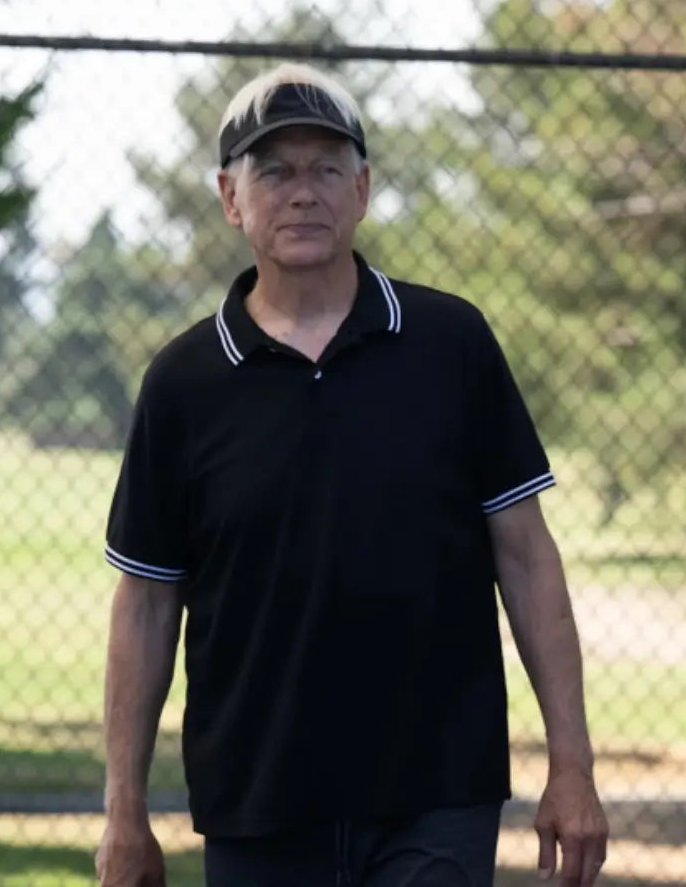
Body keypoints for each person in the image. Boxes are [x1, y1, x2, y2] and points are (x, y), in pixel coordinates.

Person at [96, 62, 608, 887]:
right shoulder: (183, 383)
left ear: (362, 190)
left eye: (327, 168)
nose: (304, 192)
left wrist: (572, 765)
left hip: (437, 794)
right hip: (255, 802)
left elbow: (525, 554)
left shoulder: (451, 344)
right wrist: (123, 815)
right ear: (231, 199)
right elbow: (147, 604)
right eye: (275, 170)